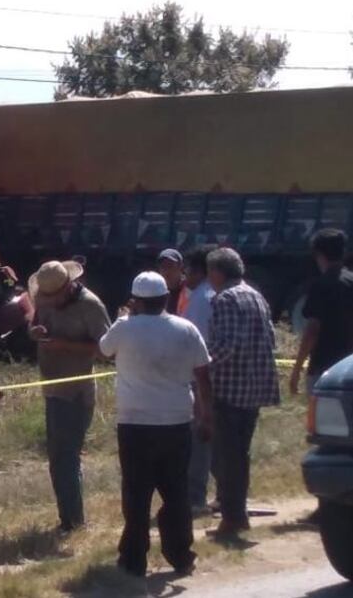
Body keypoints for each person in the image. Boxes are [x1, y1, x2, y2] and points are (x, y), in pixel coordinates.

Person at [100, 272, 213, 578]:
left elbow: (104, 350)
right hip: (176, 421)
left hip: (135, 423)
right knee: (176, 492)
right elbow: (203, 375)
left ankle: (134, 559)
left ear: (135, 301)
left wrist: (124, 317)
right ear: (166, 298)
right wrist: (206, 416)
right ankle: (180, 554)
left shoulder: (124, 328)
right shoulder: (185, 328)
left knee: (137, 493)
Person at [28, 260, 111, 532]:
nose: (48, 302)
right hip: (52, 388)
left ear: (69, 286)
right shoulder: (45, 302)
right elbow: (36, 321)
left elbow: (107, 350)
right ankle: (69, 518)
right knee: (57, 458)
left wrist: (67, 345)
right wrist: (34, 332)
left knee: (66, 457)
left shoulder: (91, 306)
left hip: (76, 393)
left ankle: (74, 522)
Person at [206, 247, 279, 539]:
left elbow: (226, 345)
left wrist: (199, 364)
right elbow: (271, 338)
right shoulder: (255, 295)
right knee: (238, 455)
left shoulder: (225, 298)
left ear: (217, 272)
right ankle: (236, 513)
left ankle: (233, 519)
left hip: (229, 389)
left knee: (228, 456)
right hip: (253, 387)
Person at [291, 229, 353, 396]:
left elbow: (312, 330)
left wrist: (297, 369)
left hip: (324, 367)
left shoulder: (320, 285)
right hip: (349, 366)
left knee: (322, 419)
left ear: (318, 254)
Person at [183, 246, 218, 515]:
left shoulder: (200, 299)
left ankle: (196, 497)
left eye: (188, 271)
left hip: (201, 377)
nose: (185, 277)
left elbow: (194, 344)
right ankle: (226, 493)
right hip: (219, 377)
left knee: (200, 437)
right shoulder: (216, 294)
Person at [157, 248, 188, 315]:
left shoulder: (188, 289)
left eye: (170, 266)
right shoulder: (157, 292)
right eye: (163, 266)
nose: (167, 271)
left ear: (181, 267)